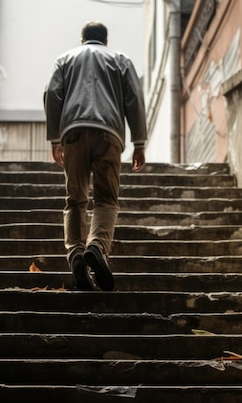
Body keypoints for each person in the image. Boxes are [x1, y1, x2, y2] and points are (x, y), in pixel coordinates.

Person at [44, 21, 147, 291]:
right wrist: (139, 142)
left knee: (75, 199)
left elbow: (52, 94)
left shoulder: (65, 59)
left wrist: (56, 139)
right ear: (105, 40)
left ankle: (77, 255)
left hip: (73, 134)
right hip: (108, 134)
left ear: (82, 39)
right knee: (106, 199)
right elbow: (134, 97)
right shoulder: (120, 59)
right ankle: (97, 248)